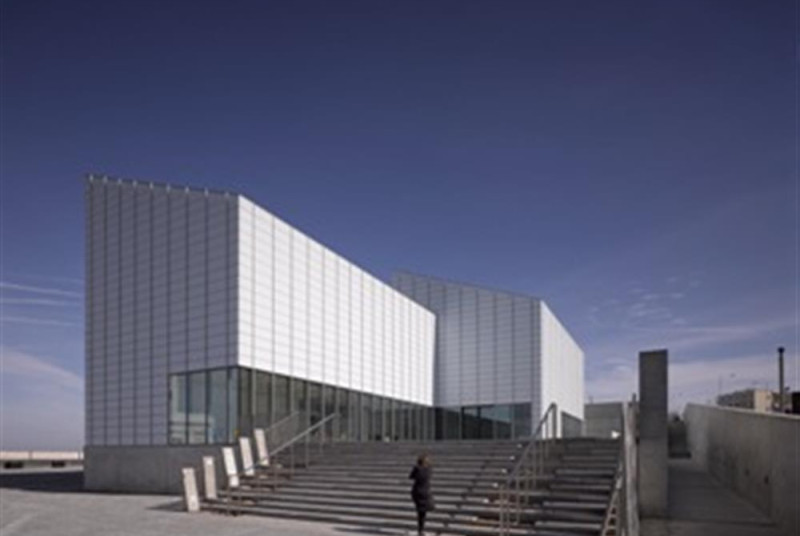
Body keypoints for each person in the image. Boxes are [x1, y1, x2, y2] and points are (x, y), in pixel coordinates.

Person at [408, 454, 434, 535]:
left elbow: (411, 477)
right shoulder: (428, 469)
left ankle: (420, 530)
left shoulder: (417, 469)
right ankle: (421, 530)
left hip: (417, 492)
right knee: (422, 513)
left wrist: (416, 467)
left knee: (420, 512)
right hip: (425, 493)